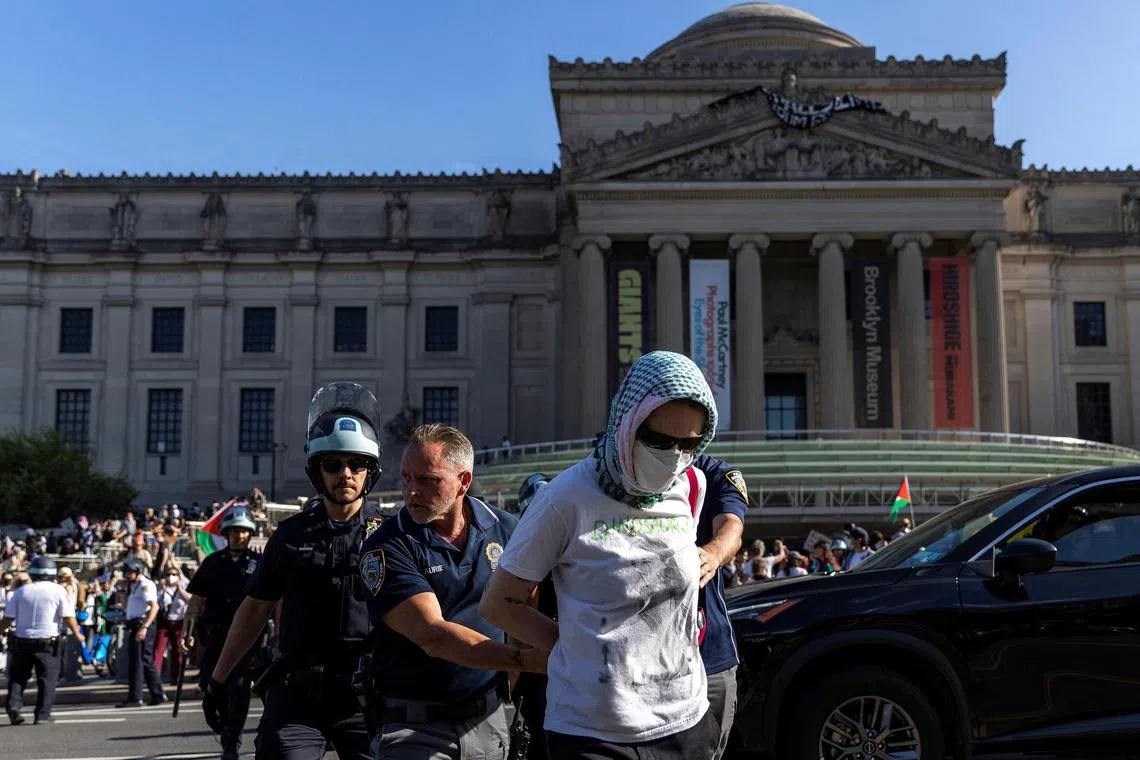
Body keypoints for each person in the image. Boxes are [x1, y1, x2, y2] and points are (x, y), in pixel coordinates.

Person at [481, 350, 721, 760]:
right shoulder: (565, 499)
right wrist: (573, 647)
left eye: (690, 443)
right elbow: (500, 604)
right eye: (659, 440)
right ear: (628, 424)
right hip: (594, 732)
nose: (674, 455)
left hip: (686, 722)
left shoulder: (692, 486)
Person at [506, 452, 747, 760]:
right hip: (624, 669)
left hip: (706, 658)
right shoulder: (604, 477)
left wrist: (712, 553)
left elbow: (731, 527)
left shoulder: (707, 474)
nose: (672, 449)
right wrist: (574, 646)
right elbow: (507, 602)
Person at [205, 382, 383, 760]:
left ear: (371, 471)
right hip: (298, 699)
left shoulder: (391, 536)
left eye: (357, 464)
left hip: (370, 698)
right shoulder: (290, 535)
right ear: (317, 471)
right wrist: (218, 681)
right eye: (332, 464)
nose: (345, 473)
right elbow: (253, 611)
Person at [360, 424, 546, 760]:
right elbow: (434, 636)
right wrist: (527, 661)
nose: (412, 491)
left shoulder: (508, 530)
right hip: (414, 729)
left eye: (428, 480)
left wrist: (516, 670)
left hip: (488, 723)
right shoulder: (386, 546)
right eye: (406, 478)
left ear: (464, 481)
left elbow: (527, 604)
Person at [181, 507, 260, 760]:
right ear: (226, 534)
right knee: (210, 685)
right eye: (234, 531)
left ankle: (231, 742)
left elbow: (272, 601)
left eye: (244, 532)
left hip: (245, 640)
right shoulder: (212, 563)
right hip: (214, 637)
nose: (239, 536)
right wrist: (188, 631)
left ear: (251, 535)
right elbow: (196, 600)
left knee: (238, 689)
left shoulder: (259, 565)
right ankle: (224, 727)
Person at [1, 556, 84, 725]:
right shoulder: (58, 591)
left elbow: (7, 619)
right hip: (48, 641)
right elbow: (68, 616)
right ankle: (42, 714)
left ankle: (13, 707)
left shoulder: (20, 592)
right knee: (47, 679)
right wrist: (77, 633)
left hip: (22, 640)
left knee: (18, 677)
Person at [116, 558, 166, 707]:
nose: (126, 575)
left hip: (142, 624)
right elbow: (126, 607)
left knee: (139, 662)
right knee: (142, 660)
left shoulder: (145, 584)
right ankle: (157, 694)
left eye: (129, 572)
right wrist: (122, 591)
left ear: (137, 571)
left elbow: (154, 607)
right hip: (135, 624)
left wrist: (144, 627)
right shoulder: (133, 585)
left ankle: (136, 697)